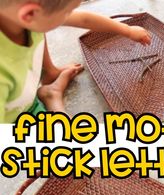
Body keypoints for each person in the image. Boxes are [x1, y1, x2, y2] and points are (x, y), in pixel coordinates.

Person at [0, 0, 151, 123]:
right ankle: (52, 97)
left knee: (38, 28)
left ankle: (50, 83)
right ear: (30, 13)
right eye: (67, 12)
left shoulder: (19, 18)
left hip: (24, 103)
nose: (70, 16)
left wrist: (127, 30)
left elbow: (84, 19)